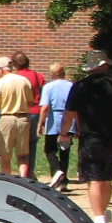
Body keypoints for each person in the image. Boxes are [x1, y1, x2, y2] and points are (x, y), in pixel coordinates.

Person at [60, 51, 112, 223]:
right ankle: (102, 212)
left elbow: (69, 114)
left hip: (90, 138)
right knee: (106, 179)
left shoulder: (80, 87)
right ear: (104, 66)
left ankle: (99, 218)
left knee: (94, 180)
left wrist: (64, 133)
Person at [0, 56, 34, 178]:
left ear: (2, 69)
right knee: (22, 154)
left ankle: (8, 179)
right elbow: (30, 102)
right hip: (23, 118)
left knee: (5, 154)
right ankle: (23, 179)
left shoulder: (0, 83)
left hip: (6, 118)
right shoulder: (24, 81)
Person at [38, 62, 74, 190]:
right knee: (65, 150)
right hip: (69, 119)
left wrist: (40, 123)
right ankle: (63, 181)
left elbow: (45, 107)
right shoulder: (71, 86)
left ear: (52, 74)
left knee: (50, 150)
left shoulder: (49, 87)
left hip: (54, 120)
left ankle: (56, 171)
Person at [13, 51, 46, 169]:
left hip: (21, 112)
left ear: (15, 65)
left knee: (21, 145)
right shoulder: (38, 76)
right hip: (36, 111)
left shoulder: (16, 78)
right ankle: (30, 171)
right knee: (32, 144)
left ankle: (22, 171)